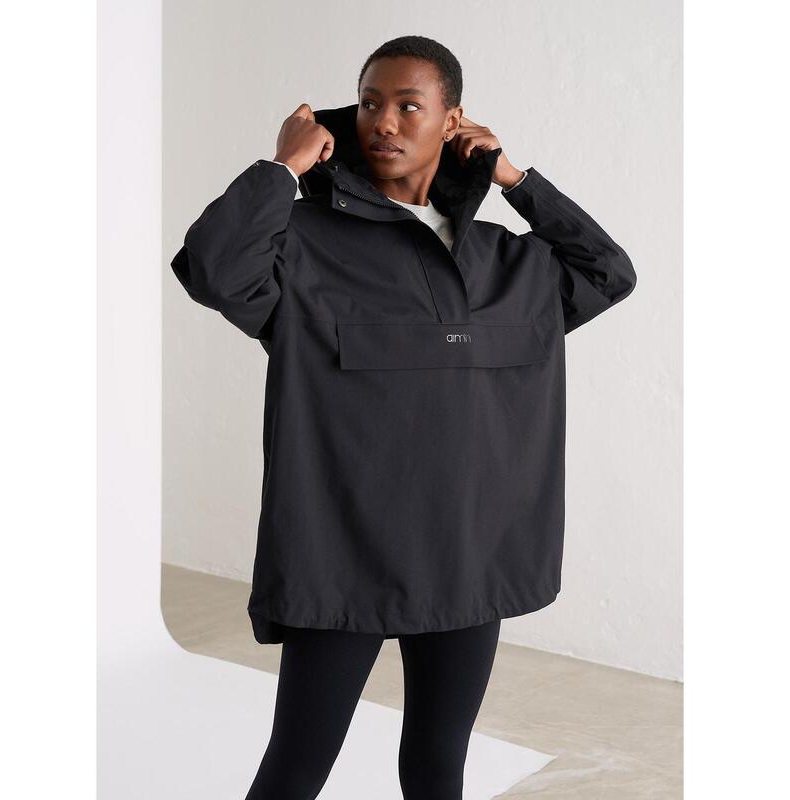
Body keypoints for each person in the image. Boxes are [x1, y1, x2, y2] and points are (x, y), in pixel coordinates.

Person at [170, 34, 636, 800]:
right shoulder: (301, 244)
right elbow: (214, 270)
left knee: (437, 765)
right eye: (370, 103)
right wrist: (281, 169)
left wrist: (515, 179)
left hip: (467, 560)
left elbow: (608, 272)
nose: (384, 121)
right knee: (295, 769)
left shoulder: (508, 263)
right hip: (341, 559)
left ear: (453, 122)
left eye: (409, 105)